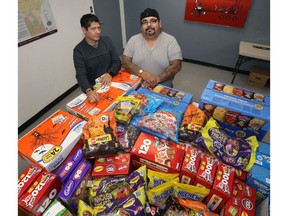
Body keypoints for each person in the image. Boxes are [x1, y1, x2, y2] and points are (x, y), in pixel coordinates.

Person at [122, 8, 182, 88]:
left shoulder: (170, 41)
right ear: (141, 27)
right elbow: (125, 62)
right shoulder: (133, 40)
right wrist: (141, 73)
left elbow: (176, 65)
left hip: (161, 88)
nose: (149, 25)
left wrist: (156, 79)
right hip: (137, 86)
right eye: (145, 22)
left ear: (160, 23)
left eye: (153, 21)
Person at [73, 14, 121, 103]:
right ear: (84, 30)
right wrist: (88, 91)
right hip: (95, 88)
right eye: (93, 29)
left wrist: (109, 73)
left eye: (99, 28)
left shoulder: (107, 41)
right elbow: (81, 75)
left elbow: (117, 62)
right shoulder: (78, 51)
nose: (98, 31)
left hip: (112, 79)